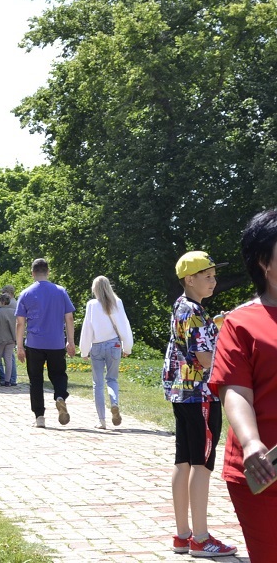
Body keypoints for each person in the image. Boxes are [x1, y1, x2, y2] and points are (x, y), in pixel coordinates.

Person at [212, 210, 277, 560]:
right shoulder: (241, 323)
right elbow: (234, 391)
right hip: (264, 469)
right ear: (264, 261)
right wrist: (252, 442)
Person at [162, 250, 236, 557]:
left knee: (183, 461)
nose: (213, 281)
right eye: (207, 277)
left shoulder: (183, 306)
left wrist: (214, 325)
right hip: (201, 396)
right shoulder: (194, 312)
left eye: (214, 276)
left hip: (182, 393)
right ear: (189, 279)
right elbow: (206, 358)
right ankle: (201, 539)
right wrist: (228, 344)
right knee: (202, 465)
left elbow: (193, 341)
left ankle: (183, 535)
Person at [16, 258, 76, 428]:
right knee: (58, 374)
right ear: (48, 272)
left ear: (32, 273)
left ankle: (40, 417)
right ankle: (59, 397)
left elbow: (20, 323)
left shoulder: (26, 293)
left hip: (34, 343)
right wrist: (70, 342)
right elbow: (69, 318)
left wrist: (20, 346)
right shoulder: (60, 291)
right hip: (56, 342)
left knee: (35, 380)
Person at [79, 276, 134, 429]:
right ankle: (114, 403)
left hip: (96, 346)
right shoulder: (117, 303)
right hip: (114, 345)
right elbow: (124, 325)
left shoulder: (91, 305)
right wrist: (127, 347)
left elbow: (87, 328)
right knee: (112, 379)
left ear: (94, 289)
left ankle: (101, 420)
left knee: (98, 383)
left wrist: (84, 350)